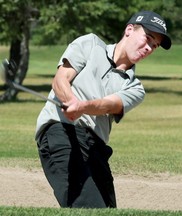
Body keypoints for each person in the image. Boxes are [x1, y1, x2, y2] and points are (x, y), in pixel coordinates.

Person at [35, 10, 171, 208]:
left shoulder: (135, 87)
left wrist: (82, 107)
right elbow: (60, 79)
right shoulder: (90, 44)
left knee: (107, 210)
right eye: (148, 38)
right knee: (88, 207)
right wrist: (71, 100)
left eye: (154, 45)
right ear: (129, 30)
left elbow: (109, 104)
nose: (149, 48)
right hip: (61, 131)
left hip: (95, 147)